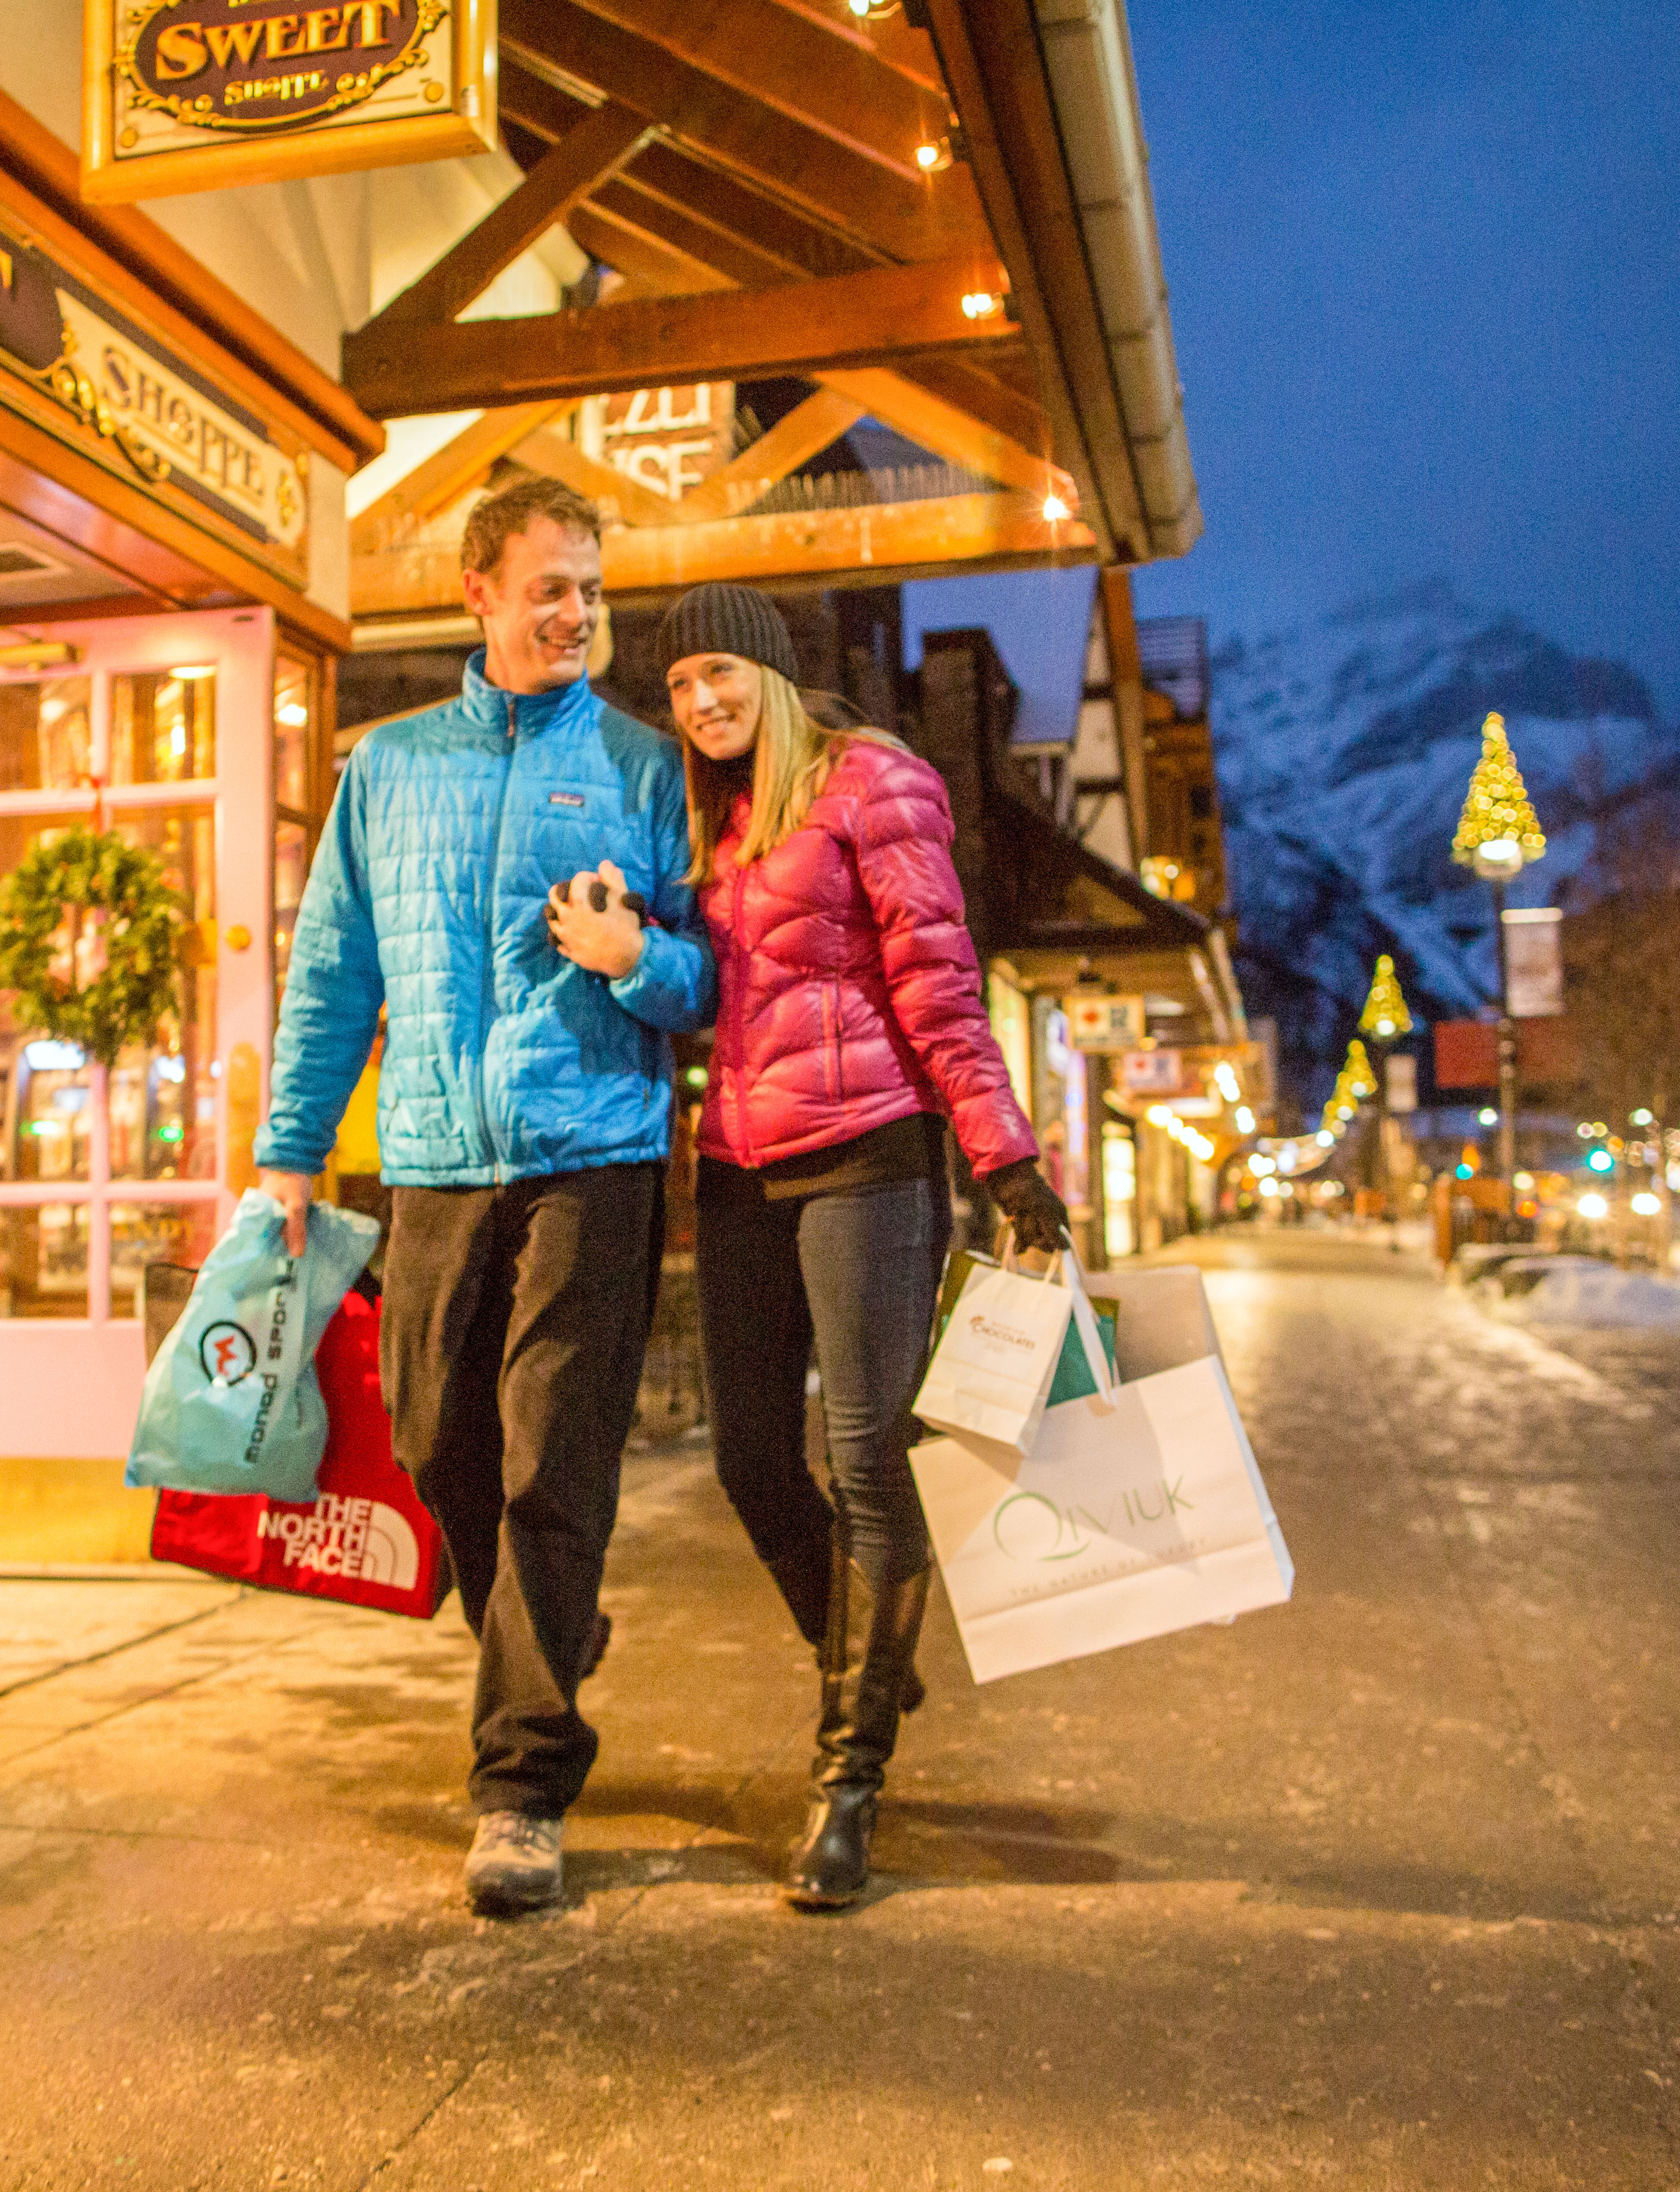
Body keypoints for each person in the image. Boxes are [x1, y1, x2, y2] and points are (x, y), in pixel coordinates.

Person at [254, 475, 713, 1919]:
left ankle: (522, 1786)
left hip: (597, 1154)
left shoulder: (647, 770)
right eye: (550, 586)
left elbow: (710, 980)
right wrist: (289, 1147)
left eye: (591, 588)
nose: (576, 612)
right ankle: (549, 1623)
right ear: (479, 594)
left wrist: (633, 960)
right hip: (436, 1162)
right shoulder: (387, 771)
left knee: (553, 1463)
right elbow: (334, 970)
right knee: (437, 1437)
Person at [649, 583, 1072, 1911]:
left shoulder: (869, 782)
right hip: (736, 1165)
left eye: (717, 672)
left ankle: (849, 1778)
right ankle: (871, 1664)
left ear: (769, 670)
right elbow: (726, 994)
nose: (699, 702)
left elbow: (937, 974)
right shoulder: (710, 824)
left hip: (873, 1156)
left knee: (867, 1458)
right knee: (750, 1463)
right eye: (676, 687)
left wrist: (1004, 1153)